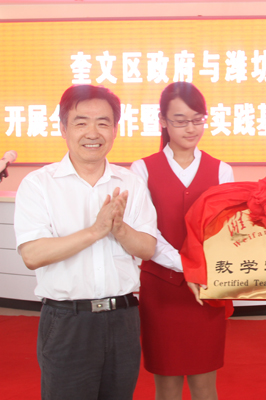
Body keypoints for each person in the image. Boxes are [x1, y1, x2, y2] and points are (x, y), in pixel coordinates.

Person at [14, 84, 158, 400]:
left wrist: (119, 229)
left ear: (115, 130)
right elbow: (33, 254)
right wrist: (96, 230)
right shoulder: (38, 185)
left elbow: (148, 248)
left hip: (122, 319)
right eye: (81, 122)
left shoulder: (130, 183)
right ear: (63, 128)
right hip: (68, 321)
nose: (93, 133)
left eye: (103, 123)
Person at [130, 82, 234, 400]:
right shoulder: (142, 170)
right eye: (180, 120)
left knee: (205, 383)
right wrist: (186, 266)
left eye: (197, 119)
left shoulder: (222, 170)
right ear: (163, 121)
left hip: (205, 291)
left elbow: (225, 232)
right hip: (161, 291)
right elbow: (146, 231)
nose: (191, 128)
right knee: (167, 384)